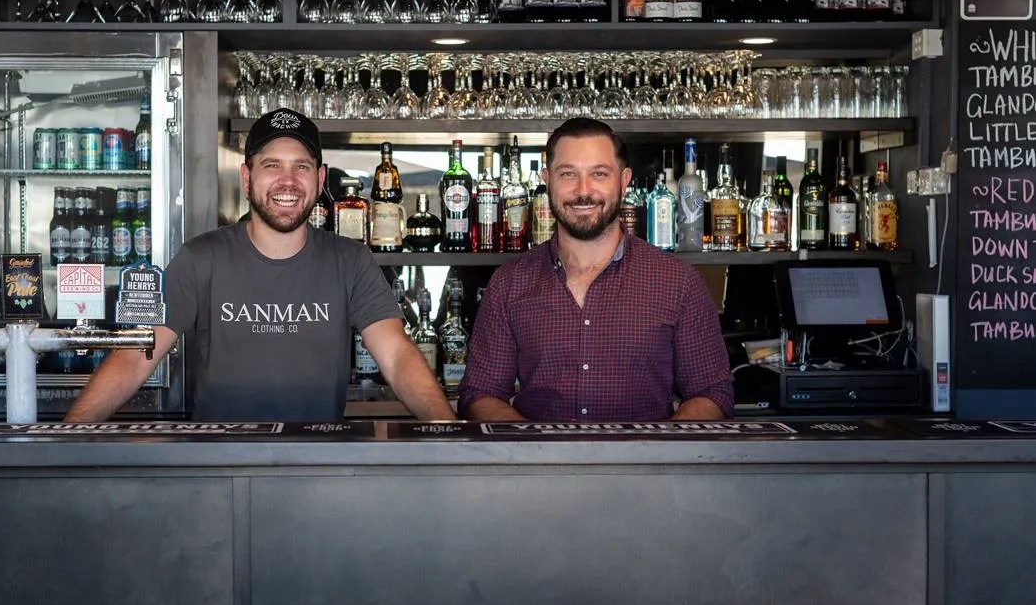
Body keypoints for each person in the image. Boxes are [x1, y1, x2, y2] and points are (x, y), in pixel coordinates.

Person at [65, 108, 455, 423]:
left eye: (301, 167)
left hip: (317, 465)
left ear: (319, 179)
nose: (288, 181)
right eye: (272, 166)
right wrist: (68, 434)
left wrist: (448, 432)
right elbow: (136, 355)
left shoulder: (350, 260)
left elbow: (397, 356)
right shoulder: (201, 258)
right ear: (247, 177)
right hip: (219, 463)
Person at [458, 117, 734, 422]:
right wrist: (538, 454)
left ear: (624, 180)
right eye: (568, 174)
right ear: (547, 179)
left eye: (599, 174)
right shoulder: (510, 283)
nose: (583, 190)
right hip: (539, 468)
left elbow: (712, 393)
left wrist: (655, 454)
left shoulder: (678, 282)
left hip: (648, 468)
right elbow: (479, 394)